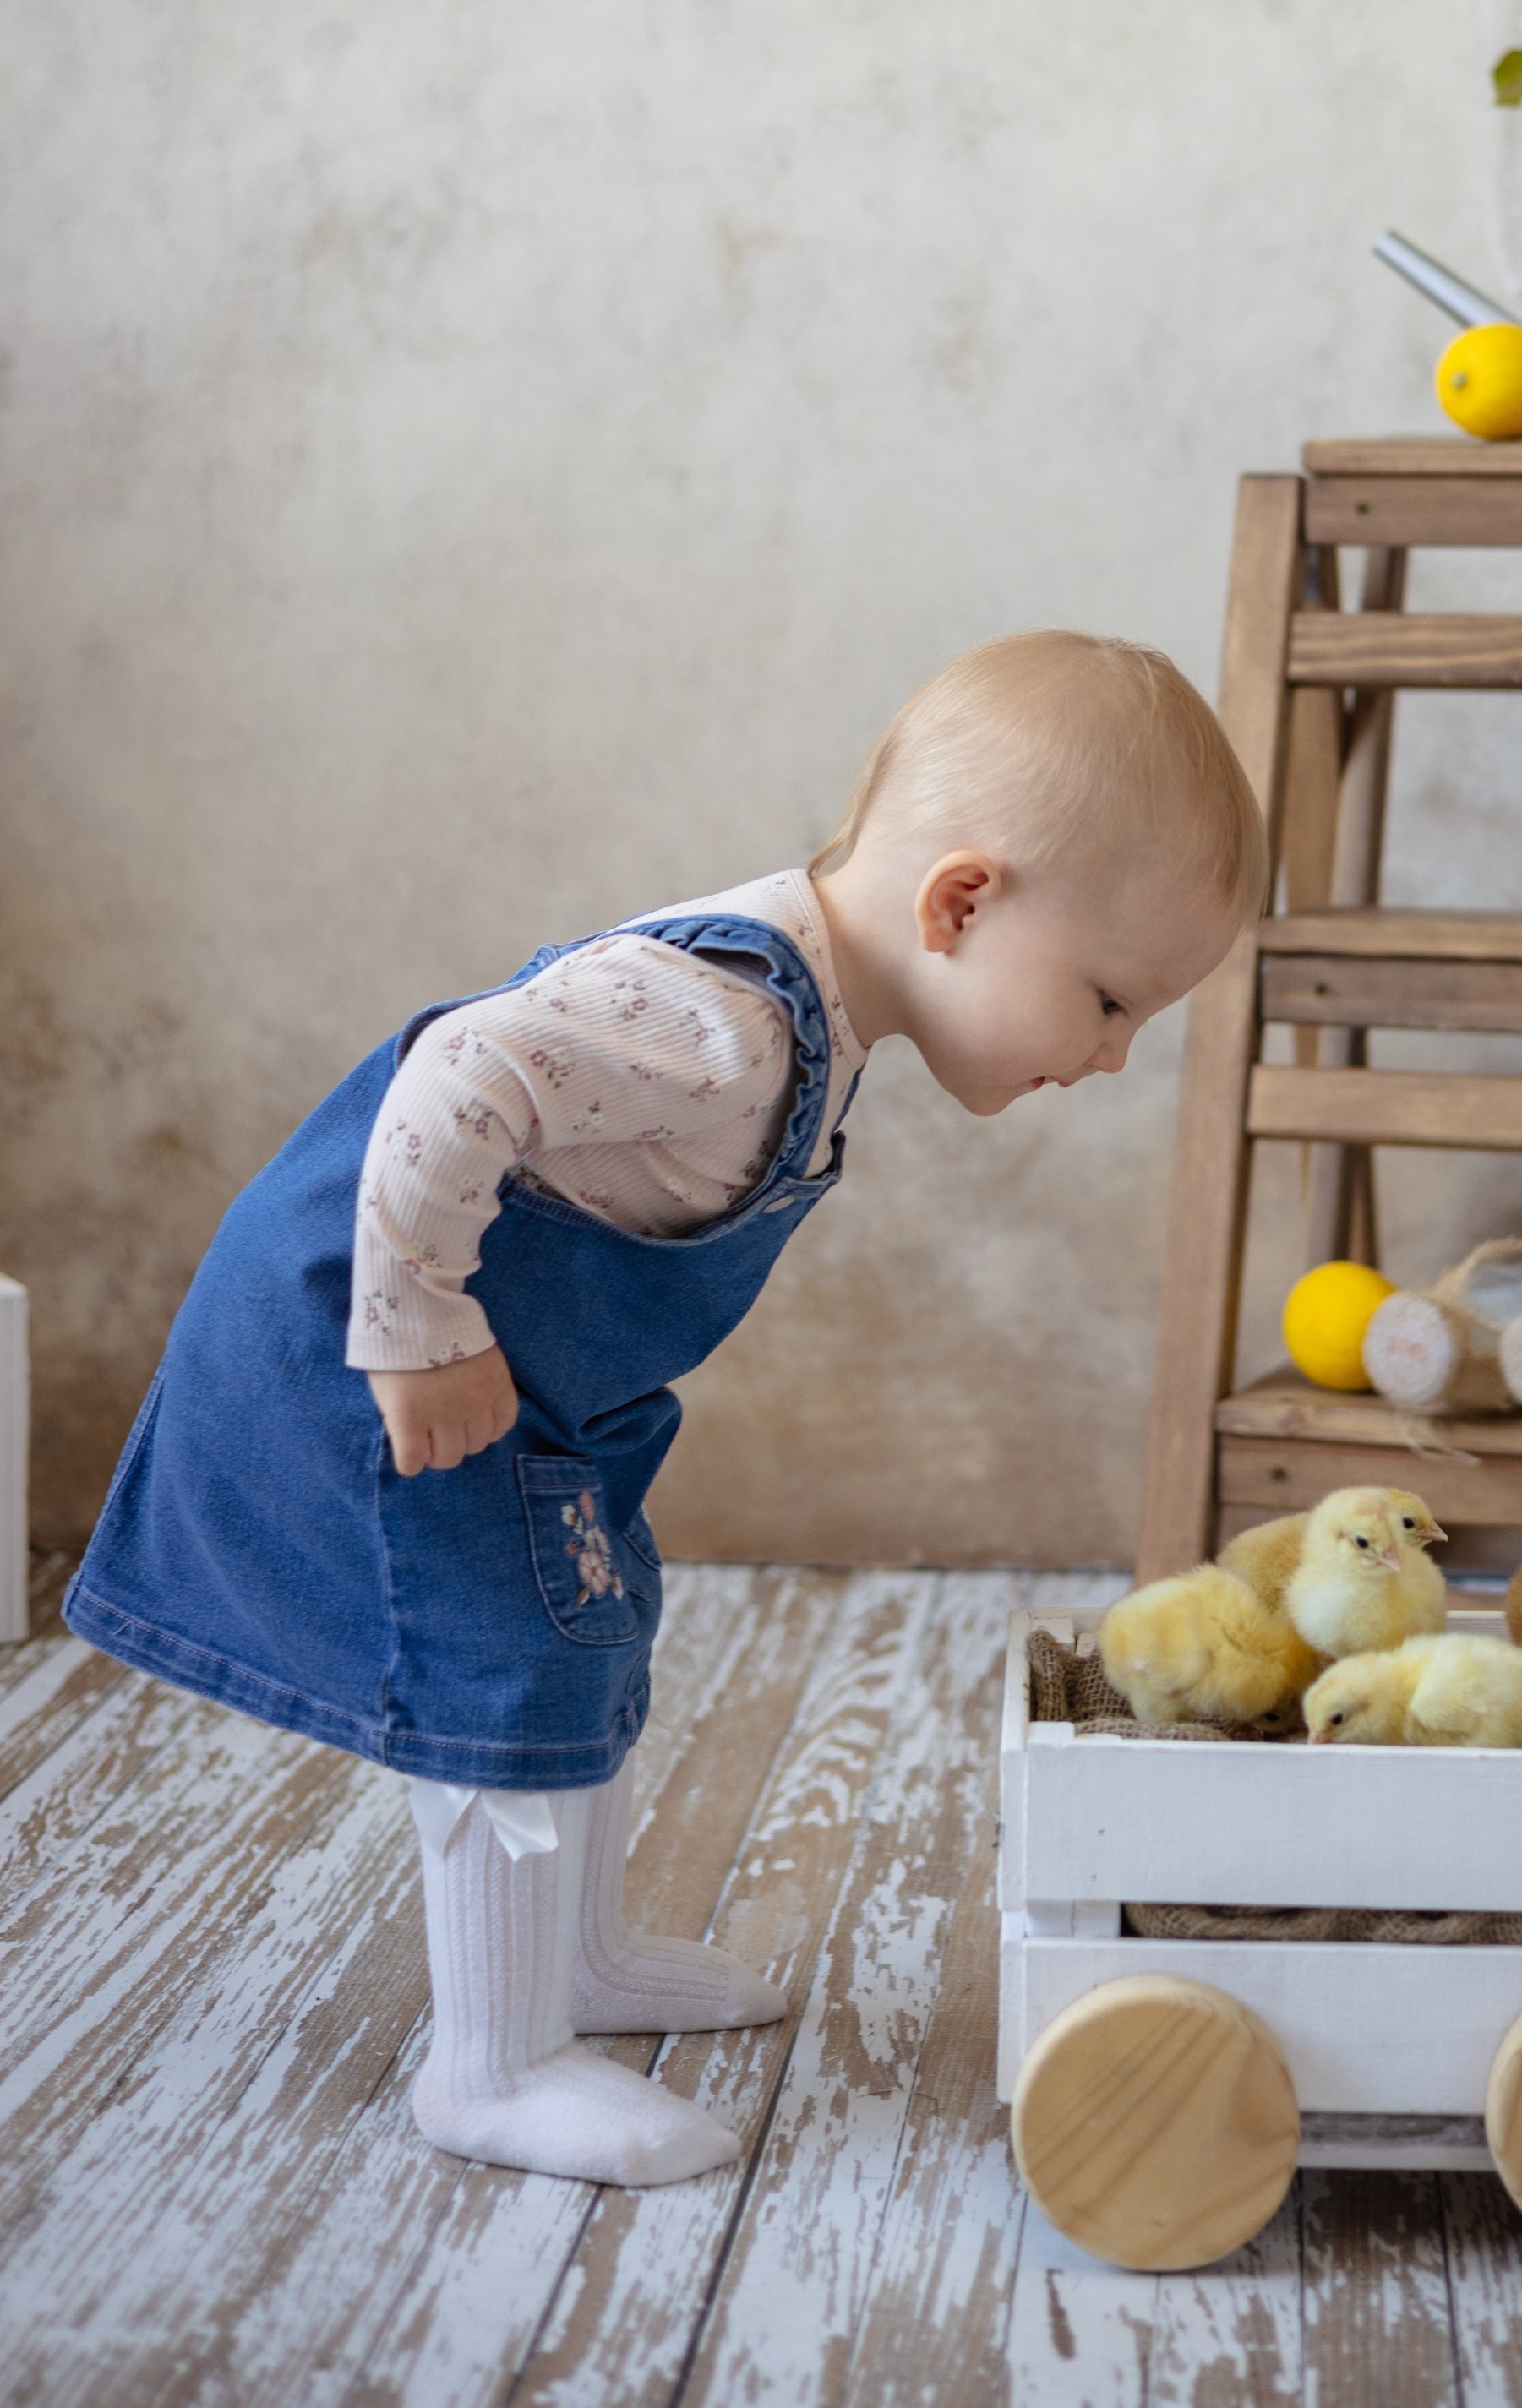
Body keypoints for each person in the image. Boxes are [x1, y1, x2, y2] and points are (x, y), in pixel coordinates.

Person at [66, 631, 1266, 2187]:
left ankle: (576, 1963)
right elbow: (456, 1074)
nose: (1112, 1056)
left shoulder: (818, 1016)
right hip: (372, 1356)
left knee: (596, 1623)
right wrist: (415, 1320)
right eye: (1111, 1001)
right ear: (962, 902)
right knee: (505, 1673)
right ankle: (488, 2067)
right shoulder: (727, 1020)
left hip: (537, 1391)